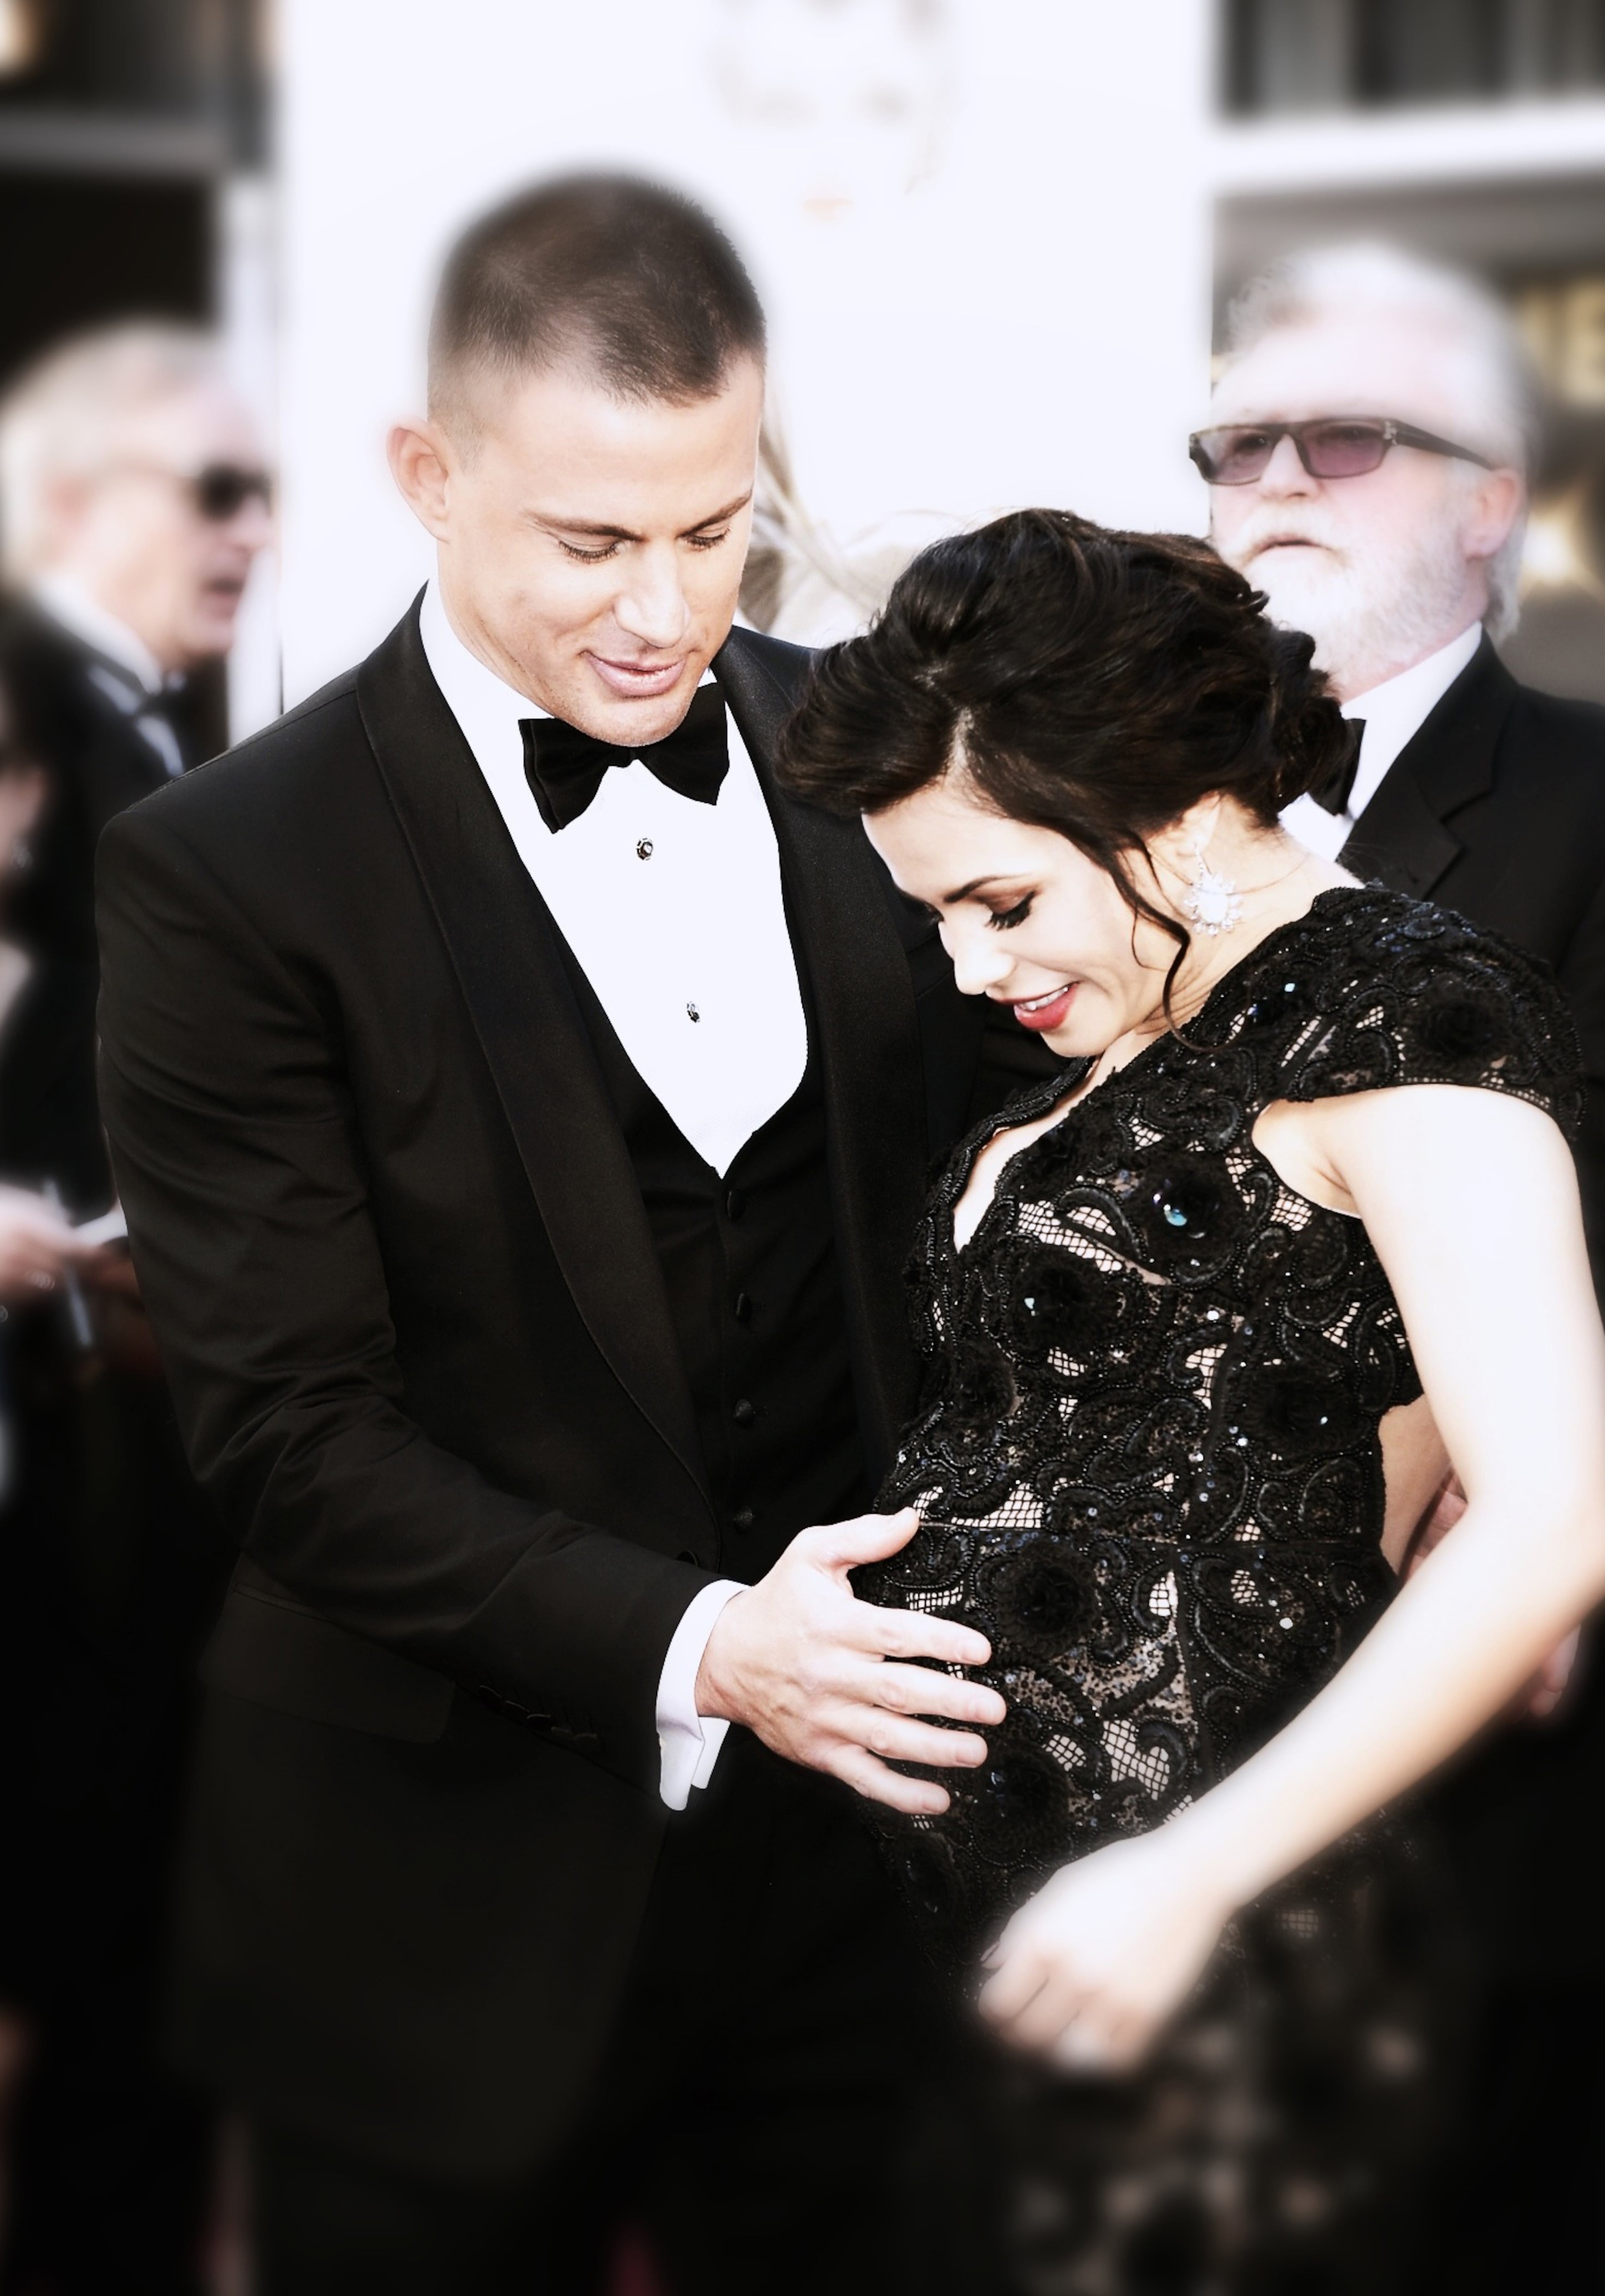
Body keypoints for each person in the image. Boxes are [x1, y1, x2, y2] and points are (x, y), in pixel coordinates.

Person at [93, 175, 1036, 2295]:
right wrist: (711, 1653)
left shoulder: (876, 760)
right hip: (425, 1906)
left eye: (718, 532)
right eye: (594, 544)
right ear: (427, 479)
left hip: (854, 1901)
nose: (668, 612)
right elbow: (290, 1442)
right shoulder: (231, 877)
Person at [773, 507, 1605, 2294]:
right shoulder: (1122, 1033)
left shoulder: (1403, 1013)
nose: (974, 972)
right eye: (935, 921)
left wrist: (1192, 1877)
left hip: (1227, 1964)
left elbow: (1558, 1517)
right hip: (991, 1960)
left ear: (1163, 806)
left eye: (1000, 903)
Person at [1200, 244, 1605, 2293]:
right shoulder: (1111, 829)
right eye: (1235, 444)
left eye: (1340, 438)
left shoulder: (1598, 798)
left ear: (1488, 499)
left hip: (1504, 1767)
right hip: (1144, 1731)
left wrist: (1558, 1507)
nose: (1273, 478)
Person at [0, 326, 270, 2295]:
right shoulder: (35, 707)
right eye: (215, 488)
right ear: (75, 495)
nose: (257, 530)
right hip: (49, 1468)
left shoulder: (168, 726)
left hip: (127, 1451)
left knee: (128, 1970)